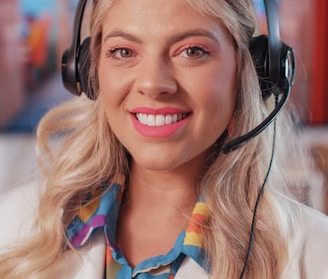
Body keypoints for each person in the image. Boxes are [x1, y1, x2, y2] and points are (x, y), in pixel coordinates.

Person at [1, 0, 328, 278]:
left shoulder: (314, 254)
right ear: (88, 70)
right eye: (124, 51)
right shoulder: (12, 224)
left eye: (192, 51)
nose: (153, 84)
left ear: (253, 70)